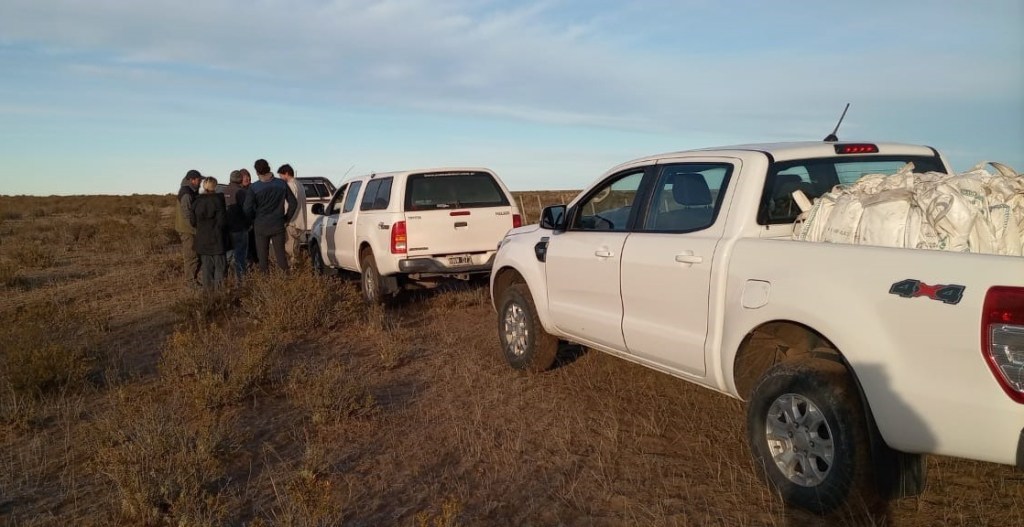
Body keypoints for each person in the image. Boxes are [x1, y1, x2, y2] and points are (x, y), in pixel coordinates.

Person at [243, 158, 297, 273]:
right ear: (269, 168)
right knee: (281, 257)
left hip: (260, 225)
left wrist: (252, 220)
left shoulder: (254, 188)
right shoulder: (281, 183)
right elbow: (293, 203)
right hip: (278, 224)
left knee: (263, 259)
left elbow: (247, 209)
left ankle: (266, 285)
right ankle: (286, 282)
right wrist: (286, 218)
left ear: (257, 172)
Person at [190, 177, 228, 289]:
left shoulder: (196, 201)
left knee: (206, 269)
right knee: (219, 268)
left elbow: (192, 221)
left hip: (203, 239)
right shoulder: (218, 200)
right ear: (214, 186)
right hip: (217, 239)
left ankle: (208, 296)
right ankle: (219, 294)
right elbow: (222, 222)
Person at [174, 169, 203, 288]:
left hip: (189, 229)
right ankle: (191, 283)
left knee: (196, 256)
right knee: (191, 256)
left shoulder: (191, 191)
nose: (200, 182)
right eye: (198, 180)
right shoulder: (186, 193)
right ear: (192, 180)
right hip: (188, 230)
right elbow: (187, 215)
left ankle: (193, 280)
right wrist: (196, 229)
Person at [278, 164, 307, 266]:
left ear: (286, 173)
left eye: (281, 176)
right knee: (295, 249)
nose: (280, 178)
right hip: (299, 222)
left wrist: (285, 219)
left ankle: (294, 273)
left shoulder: (290, 185)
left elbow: (289, 205)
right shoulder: (300, 185)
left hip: (292, 222)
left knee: (291, 251)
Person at [223, 170, 250, 280]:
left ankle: (224, 278)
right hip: (240, 228)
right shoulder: (241, 192)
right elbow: (247, 210)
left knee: (227, 255)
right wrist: (249, 224)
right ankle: (240, 281)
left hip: (226, 228)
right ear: (240, 179)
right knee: (240, 256)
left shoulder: (223, 191)